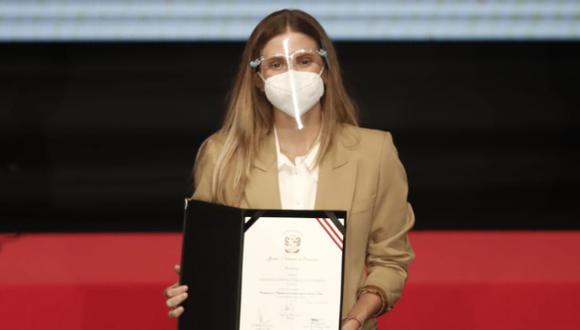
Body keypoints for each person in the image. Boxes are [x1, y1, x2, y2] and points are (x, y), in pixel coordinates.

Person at [163, 9, 415, 330]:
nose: (291, 73)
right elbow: (210, 261)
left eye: (304, 60)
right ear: (258, 77)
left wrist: (355, 317)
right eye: (277, 64)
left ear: (324, 67)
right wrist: (192, 290)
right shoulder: (221, 154)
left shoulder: (374, 152)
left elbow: (390, 261)